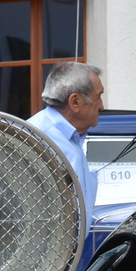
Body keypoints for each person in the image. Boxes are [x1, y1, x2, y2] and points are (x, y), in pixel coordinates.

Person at [28, 62, 103, 206]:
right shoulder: (35, 137)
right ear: (75, 102)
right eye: (98, 97)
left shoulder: (76, 135)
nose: (101, 106)